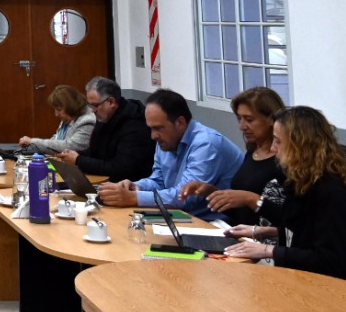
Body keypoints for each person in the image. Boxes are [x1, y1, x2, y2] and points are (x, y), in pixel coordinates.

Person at [224, 106, 346, 287]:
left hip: (345, 288)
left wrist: (268, 250)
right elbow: (304, 233)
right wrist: (262, 231)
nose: (273, 148)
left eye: (278, 141)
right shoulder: (301, 180)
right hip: (310, 281)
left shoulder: (331, 192)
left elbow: (328, 259)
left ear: (300, 146)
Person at [95, 88, 243, 220]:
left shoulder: (206, 144)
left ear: (180, 122)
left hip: (217, 224)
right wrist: (135, 187)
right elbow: (159, 181)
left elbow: (185, 198)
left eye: (158, 128)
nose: (153, 136)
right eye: (151, 128)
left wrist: (134, 198)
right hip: (184, 217)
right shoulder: (166, 139)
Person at [179, 86, 285, 225]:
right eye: (239, 119)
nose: (242, 126)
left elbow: (289, 218)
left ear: (271, 120)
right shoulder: (253, 152)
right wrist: (212, 193)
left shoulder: (283, 161)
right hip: (240, 232)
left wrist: (251, 199)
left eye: (249, 119)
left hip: (263, 237)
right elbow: (241, 212)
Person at [56, 77, 154, 182]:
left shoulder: (135, 126)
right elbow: (96, 153)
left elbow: (121, 169)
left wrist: (78, 160)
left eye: (95, 105)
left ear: (111, 102)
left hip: (130, 185)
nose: (92, 110)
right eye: (90, 105)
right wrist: (75, 154)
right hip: (108, 182)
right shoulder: (105, 116)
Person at [18, 85, 95, 155]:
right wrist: (31, 145)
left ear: (71, 106)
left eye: (59, 110)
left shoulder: (87, 121)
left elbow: (70, 146)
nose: (56, 114)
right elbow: (57, 140)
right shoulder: (69, 117)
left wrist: (33, 142)